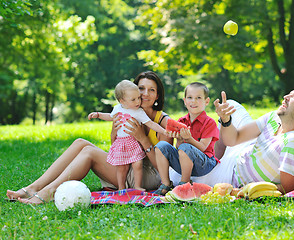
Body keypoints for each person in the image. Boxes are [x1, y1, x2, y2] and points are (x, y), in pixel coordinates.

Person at [6, 71, 173, 204]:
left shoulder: (163, 121)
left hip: (148, 174)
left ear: (158, 95)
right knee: (80, 143)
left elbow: (161, 168)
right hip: (125, 166)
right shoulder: (128, 113)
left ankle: (46, 194)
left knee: (89, 153)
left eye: (151, 90)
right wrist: (113, 133)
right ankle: (33, 188)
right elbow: (116, 147)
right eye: (141, 89)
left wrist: (143, 139)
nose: (145, 94)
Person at [169, 87, 294, 194]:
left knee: (173, 174)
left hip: (232, 175)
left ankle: (206, 162)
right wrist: (226, 120)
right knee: (231, 105)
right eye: (290, 93)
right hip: (242, 151)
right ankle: (212, 157)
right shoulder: (275, 117)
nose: (285, 97)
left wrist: (241, 192)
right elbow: (234, 138)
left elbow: (288, 188)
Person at [88, 80, 166, 192]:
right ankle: (121, 187)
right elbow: (110, 116)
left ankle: (138, 186)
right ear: (122, 101)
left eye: (138, 98)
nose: (138, 101)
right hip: (120, 142)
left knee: (137, 164)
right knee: (121, 167)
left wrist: (164, 131)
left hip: (133, 142)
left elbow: (151, 123)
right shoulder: (117, 109)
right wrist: (98, 115)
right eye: (133, 99)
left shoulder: (138, 111)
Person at [154, 82, 219, 195]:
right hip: (185, 160)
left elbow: (203, 148)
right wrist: (179, 140)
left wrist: (189, 139)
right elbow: (179, 149)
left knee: (185, 147)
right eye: (190, 97)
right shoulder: (181, 121)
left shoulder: (209, 123)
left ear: (206, 101)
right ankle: (166, 183)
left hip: (204, 164)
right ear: (185, 101)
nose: (193, 101)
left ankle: (184, 184)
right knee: (161, 146)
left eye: (198, 98)